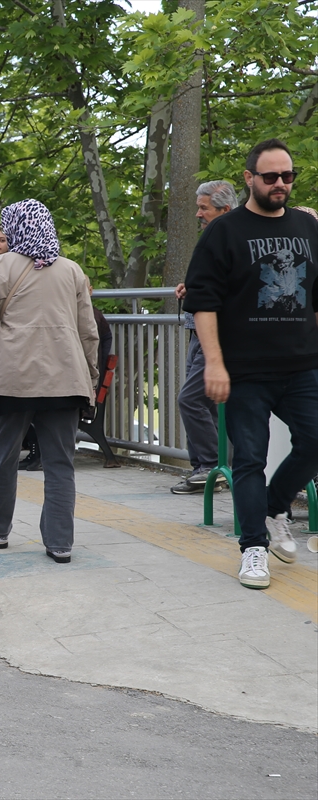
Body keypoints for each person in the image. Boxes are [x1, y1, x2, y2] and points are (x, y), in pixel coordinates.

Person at [183, 138, 318, 590]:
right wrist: (215, 365)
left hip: (302, 365)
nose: (280, 184)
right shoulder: (223, 232)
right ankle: (253, 548)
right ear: (249, 178)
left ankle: (274, 506)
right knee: (249, 460)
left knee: (314, 439)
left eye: (287, 176)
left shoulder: (306, 226)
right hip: (244, 369)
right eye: (270, 177)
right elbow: (203, 302)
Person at [0, 199, 98, 563]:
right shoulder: (73, 271)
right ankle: (60, 543)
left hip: (11, 380)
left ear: (13, 228)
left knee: (4, 457)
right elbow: (88, 333)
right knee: (60, 463)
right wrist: (89, 378)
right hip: (65, 381)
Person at [170, 179, 238, 494]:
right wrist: (191, 288)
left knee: (192, 399)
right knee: (205, 402)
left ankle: (211, 467)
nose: (198, 214)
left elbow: (235, 287)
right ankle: (204, 469)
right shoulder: (215, 236)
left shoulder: (233, 236)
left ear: (223, 210)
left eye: (203, 208)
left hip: (216, 334)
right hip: (197, 329)